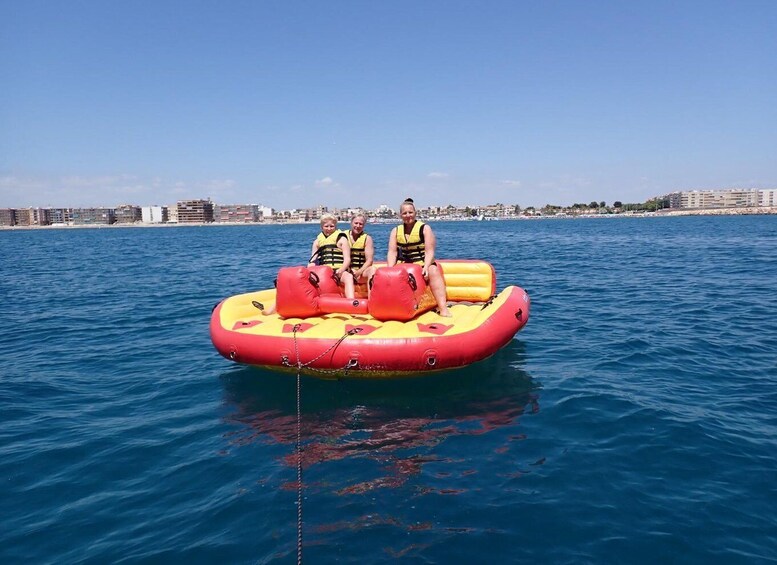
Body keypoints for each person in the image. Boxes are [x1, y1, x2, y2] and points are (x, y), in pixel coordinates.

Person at [387, 198, 451, 317]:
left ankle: (443, 308)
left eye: (410, 212)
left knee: (433, 270)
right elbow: (392, 252)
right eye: (405, 213)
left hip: (422, 263)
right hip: (404, 264)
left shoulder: (425, 229)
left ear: (415, 213)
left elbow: (430, 251)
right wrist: (390, 269)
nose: (408, 215)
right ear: (400, 215)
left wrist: (426, 267)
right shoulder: (395, 231)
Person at [309, 213, 355, 299]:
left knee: (348, 277)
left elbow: (347, 259)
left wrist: (341, 270)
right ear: (321, 227)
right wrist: (311, 265)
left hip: (339, 271)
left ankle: (351, 302)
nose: (329, 229)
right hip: (323, 272)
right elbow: (312, 259)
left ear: (335, 226)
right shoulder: (317, 242)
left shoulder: (342, 239)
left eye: (332, 226)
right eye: (326, 226)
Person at [347, 213, 375, 294]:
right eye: (356, 223)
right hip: (346, 271)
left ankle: (371, 300)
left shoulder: (367, 239)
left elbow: (369, 261)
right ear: (351, 223)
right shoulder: (343, 236)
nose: (358, 226)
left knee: (372, 270)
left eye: (361, 224)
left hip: (361, 272)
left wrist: (359, 272)